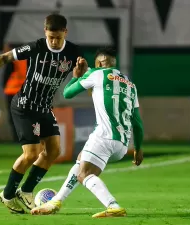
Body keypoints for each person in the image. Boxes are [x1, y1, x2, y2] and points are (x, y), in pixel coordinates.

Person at [0, 14, 86, 214]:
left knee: (53, 151)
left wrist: (79, 73)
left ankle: (25, 191)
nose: (54, 41)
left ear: (65, 33)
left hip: (44, 108)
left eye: (58, 37)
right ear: (45, 32)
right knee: (31, 153)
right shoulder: (36, 47)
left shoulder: (73, 52)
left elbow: (79, 74)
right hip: (25, 106)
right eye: (50, 37)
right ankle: (7, 195)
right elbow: (5, 57)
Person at [31, 47, 144, 218]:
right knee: (80, 161)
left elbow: (67, 93)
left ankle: (113, 206)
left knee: (85, 174)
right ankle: (56, 201)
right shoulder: (130, 85)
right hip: (122, 144)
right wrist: (138, 148)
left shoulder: (97, 74)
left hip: (103, 137)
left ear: (98, 63)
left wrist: (76, 76)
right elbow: (138, 122)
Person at [2, 43, 27, 142]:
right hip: (23, 92)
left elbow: (6, 75)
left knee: (13, 116)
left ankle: (16, 139)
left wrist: (4, 87)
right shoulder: (27, 60)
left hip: (11, 91)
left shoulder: (12, 60)